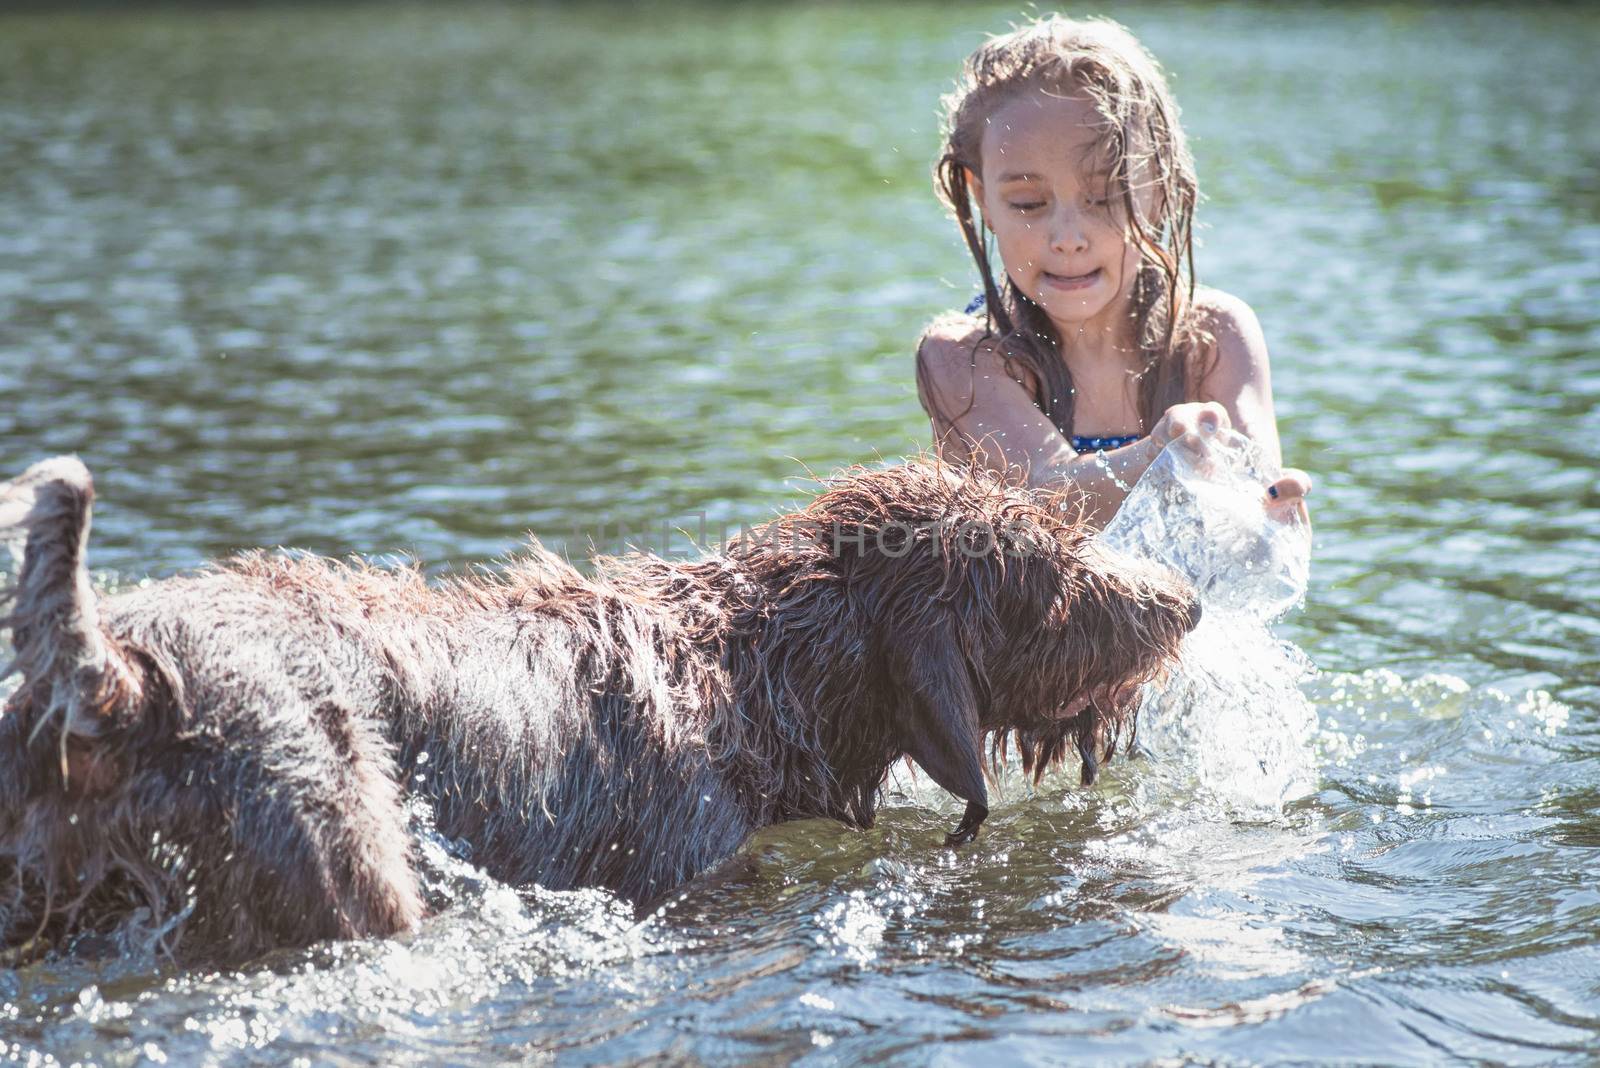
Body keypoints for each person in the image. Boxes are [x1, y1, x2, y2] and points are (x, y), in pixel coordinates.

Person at [915, 15, 1311, 529]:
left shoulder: (1212, 337)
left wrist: (1276, 509)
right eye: (1029, 202)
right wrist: (1160, 453)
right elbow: (1042, 495)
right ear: (982, 198)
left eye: (1104, 197)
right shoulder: (964, 359)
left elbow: (1258, 516)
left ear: (1161, 190)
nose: (1067, 237)